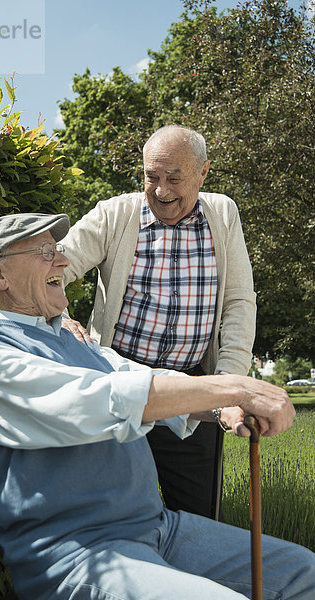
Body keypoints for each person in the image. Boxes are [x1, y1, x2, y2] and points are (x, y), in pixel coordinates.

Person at [0, 212, 315, 600]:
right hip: (80, 553)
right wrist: (234, 387)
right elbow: (108, 399)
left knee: (305, 572)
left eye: (58, 249)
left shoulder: (77, 344)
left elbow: (153, 382)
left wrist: (223, 408)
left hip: (157, 529)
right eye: (45, 251)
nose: (62, 261)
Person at [62, 124, 256, 519]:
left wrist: (228, 386)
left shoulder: (223, 214)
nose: (162, 191)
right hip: (121, 388)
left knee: (201, 519)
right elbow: (50, 269)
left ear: (202, 173)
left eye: (174, 178)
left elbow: (238, 301)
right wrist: (59, 316)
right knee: (112, 518)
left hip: (194, 394)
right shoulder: (114, 214)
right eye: (152, 177)